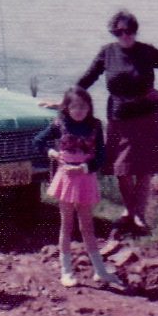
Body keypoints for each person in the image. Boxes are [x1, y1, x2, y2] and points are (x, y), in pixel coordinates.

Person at [76, 10, 158, 235]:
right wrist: (67, 100)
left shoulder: (147, 51)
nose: (125, 35)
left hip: (147, 115)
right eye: (120, 31)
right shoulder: (107, 53)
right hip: (119, 117)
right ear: (114, 32)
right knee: (122, 169)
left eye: (129, 31)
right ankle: (130, 211)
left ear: (135, 30)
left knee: (145, 169)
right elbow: (87, 78)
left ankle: (138, 216)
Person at [32, 86, 125, 289]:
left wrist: (83, 168)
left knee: (87, 226)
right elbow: (38, 141)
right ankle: (66, 271)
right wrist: (52, 153)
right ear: (67, 108)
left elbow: (101, 156)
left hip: (85, 178)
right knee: (67, 224)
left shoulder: (95, 125)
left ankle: (100, 271)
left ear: (89, 107)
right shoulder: (60, 124)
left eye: (83, 106)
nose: (79, 111)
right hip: (65, 178)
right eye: (74, 107)